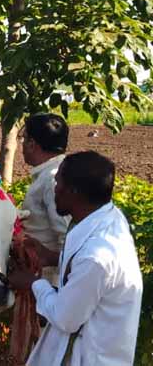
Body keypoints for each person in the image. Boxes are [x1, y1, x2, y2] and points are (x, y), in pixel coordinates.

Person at [9, 151, 143, 365]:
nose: (54, 188)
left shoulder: (96, 258)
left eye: (58, 181)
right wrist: (51, 257)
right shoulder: (109, 217)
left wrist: (33, 283)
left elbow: (65, 318)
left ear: (73, 192)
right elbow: (87, 275)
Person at [20, 113, 70, 285]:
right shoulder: (53, 173)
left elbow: (66, 237)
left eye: (24, 139)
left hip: (48, 282)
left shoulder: (52, 179)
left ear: (32, 144)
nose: (22, 145)